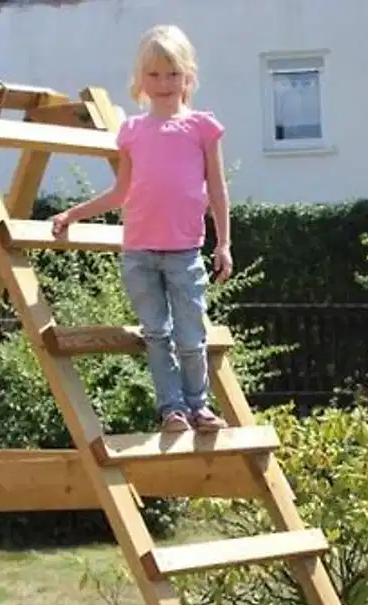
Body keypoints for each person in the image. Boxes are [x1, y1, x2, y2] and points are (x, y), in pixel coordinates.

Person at [49, 24, 233, 433]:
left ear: (188, 77)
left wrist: (224, 244)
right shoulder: (133, 131)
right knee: (156, 334)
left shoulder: (202, 127)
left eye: (172, 74)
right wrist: (73, 215)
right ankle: (172, 410)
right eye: (154, 75)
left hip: (185, 253)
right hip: (140, 254)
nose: (164, 83)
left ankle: (198, 406)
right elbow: (120, 193)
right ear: (140, 80)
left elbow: (217, 191)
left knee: (191, 336)